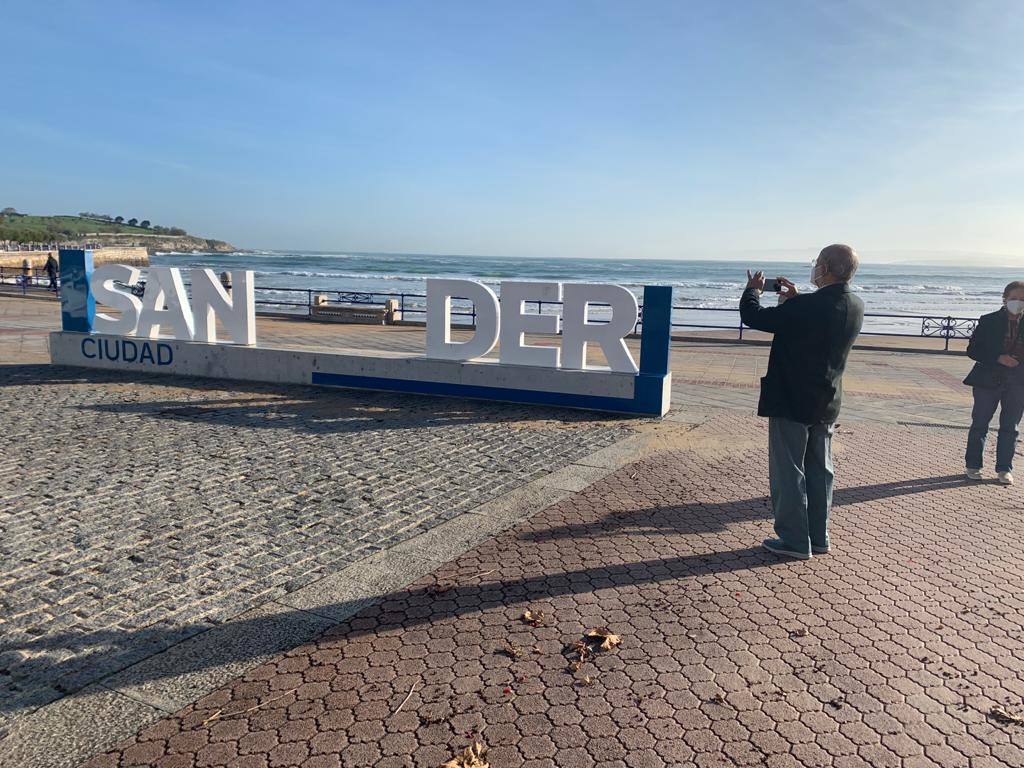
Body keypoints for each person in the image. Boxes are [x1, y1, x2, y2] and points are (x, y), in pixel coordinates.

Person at [739, 244, 865, 560]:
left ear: (825, 269)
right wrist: (795, 301)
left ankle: (794, 540)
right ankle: (818, 536)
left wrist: (752, 291)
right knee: (820, 470)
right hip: (827, 399)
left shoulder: (809, 306)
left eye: (818, 263)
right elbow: (814, 328)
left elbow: (752, 317)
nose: (815, 267)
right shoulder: (855, 304)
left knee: (788, 471)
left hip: (793, 398)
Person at [963, 280, 1024, 485]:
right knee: (980, 423)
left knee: (1010, 426)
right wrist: (998, 357)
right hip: (988, 379)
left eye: (1022, 299)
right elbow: (973, 350)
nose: (1018, 302)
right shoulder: (989, 320)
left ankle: (1004, 469)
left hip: (1018, 381)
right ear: (1005, 299)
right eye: (1014, 298)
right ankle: (973, 465)